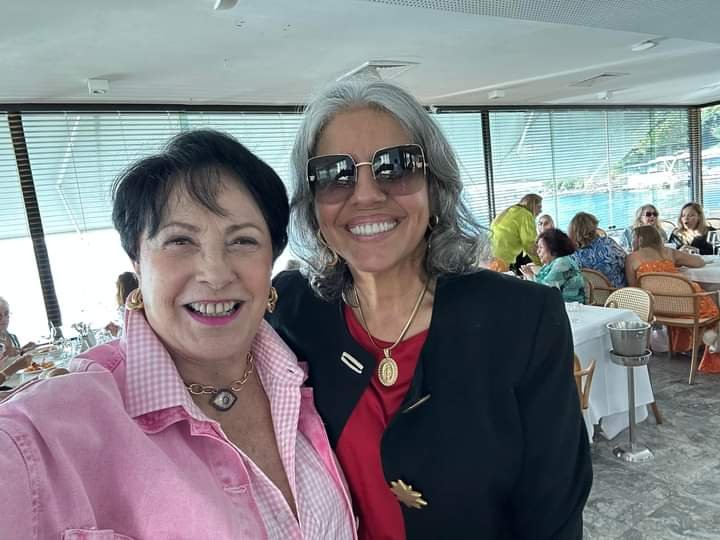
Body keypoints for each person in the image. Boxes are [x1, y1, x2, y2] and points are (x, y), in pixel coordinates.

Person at [268, 78, 591, 539]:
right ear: (312, 204)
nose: (366, 195)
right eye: (334, 174)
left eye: (395, 167)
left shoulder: (521, 318)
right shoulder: (293, 310)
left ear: (434, 188)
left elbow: (553, 513)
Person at [0, 129, 355, 539]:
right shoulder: (49, 432)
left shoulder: (308, 376)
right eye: (180, 240)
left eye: (243, 240)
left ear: (271, 262)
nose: (215, 274)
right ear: (137, 261)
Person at [625, 226, 720, 371]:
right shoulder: (668, 252)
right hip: (689, 307)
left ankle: (694, 344)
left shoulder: (632, 258)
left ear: (638, 239)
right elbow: (699, 262)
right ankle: (709, 346)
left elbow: (633, 287)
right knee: (715, 306)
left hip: (656, 309)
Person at [520, 228, 586, 303]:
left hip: (569, 306)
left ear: (553, 248)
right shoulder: (551, 263)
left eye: (541, 247)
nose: (538, 251)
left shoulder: (562, 263)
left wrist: (530, 275)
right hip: (559, 304)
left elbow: (544, 290)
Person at [569, 212, 627, 288]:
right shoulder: (607, 243)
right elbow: (625, 261)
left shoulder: (573, 256)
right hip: (618, 292)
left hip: (591, 294)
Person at [490, 193, 542, 271]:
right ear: (532, 205)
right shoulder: (526, 215)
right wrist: (542, 264)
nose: (541, 211)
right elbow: (530, 245)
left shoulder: (511, 210)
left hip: (490, 255)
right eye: (539, 207)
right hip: (501, 259)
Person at [105, 271, 139, 337]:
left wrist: (116, 332)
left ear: (121, 291)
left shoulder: (124, 310)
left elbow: (129, 335)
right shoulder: (144, 303)